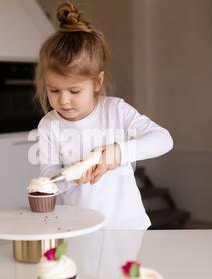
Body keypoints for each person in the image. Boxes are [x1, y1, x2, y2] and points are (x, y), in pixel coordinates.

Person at [35, 2, 173, 230]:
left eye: (74, 91)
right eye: (54, 90)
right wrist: (70, 176)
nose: (64, 100)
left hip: (126, 229)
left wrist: (118, 153)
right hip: (77, 229)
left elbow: (164, 139)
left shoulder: (115, 111)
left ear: (96, 82)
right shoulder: (49, 126)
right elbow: (47, 180)